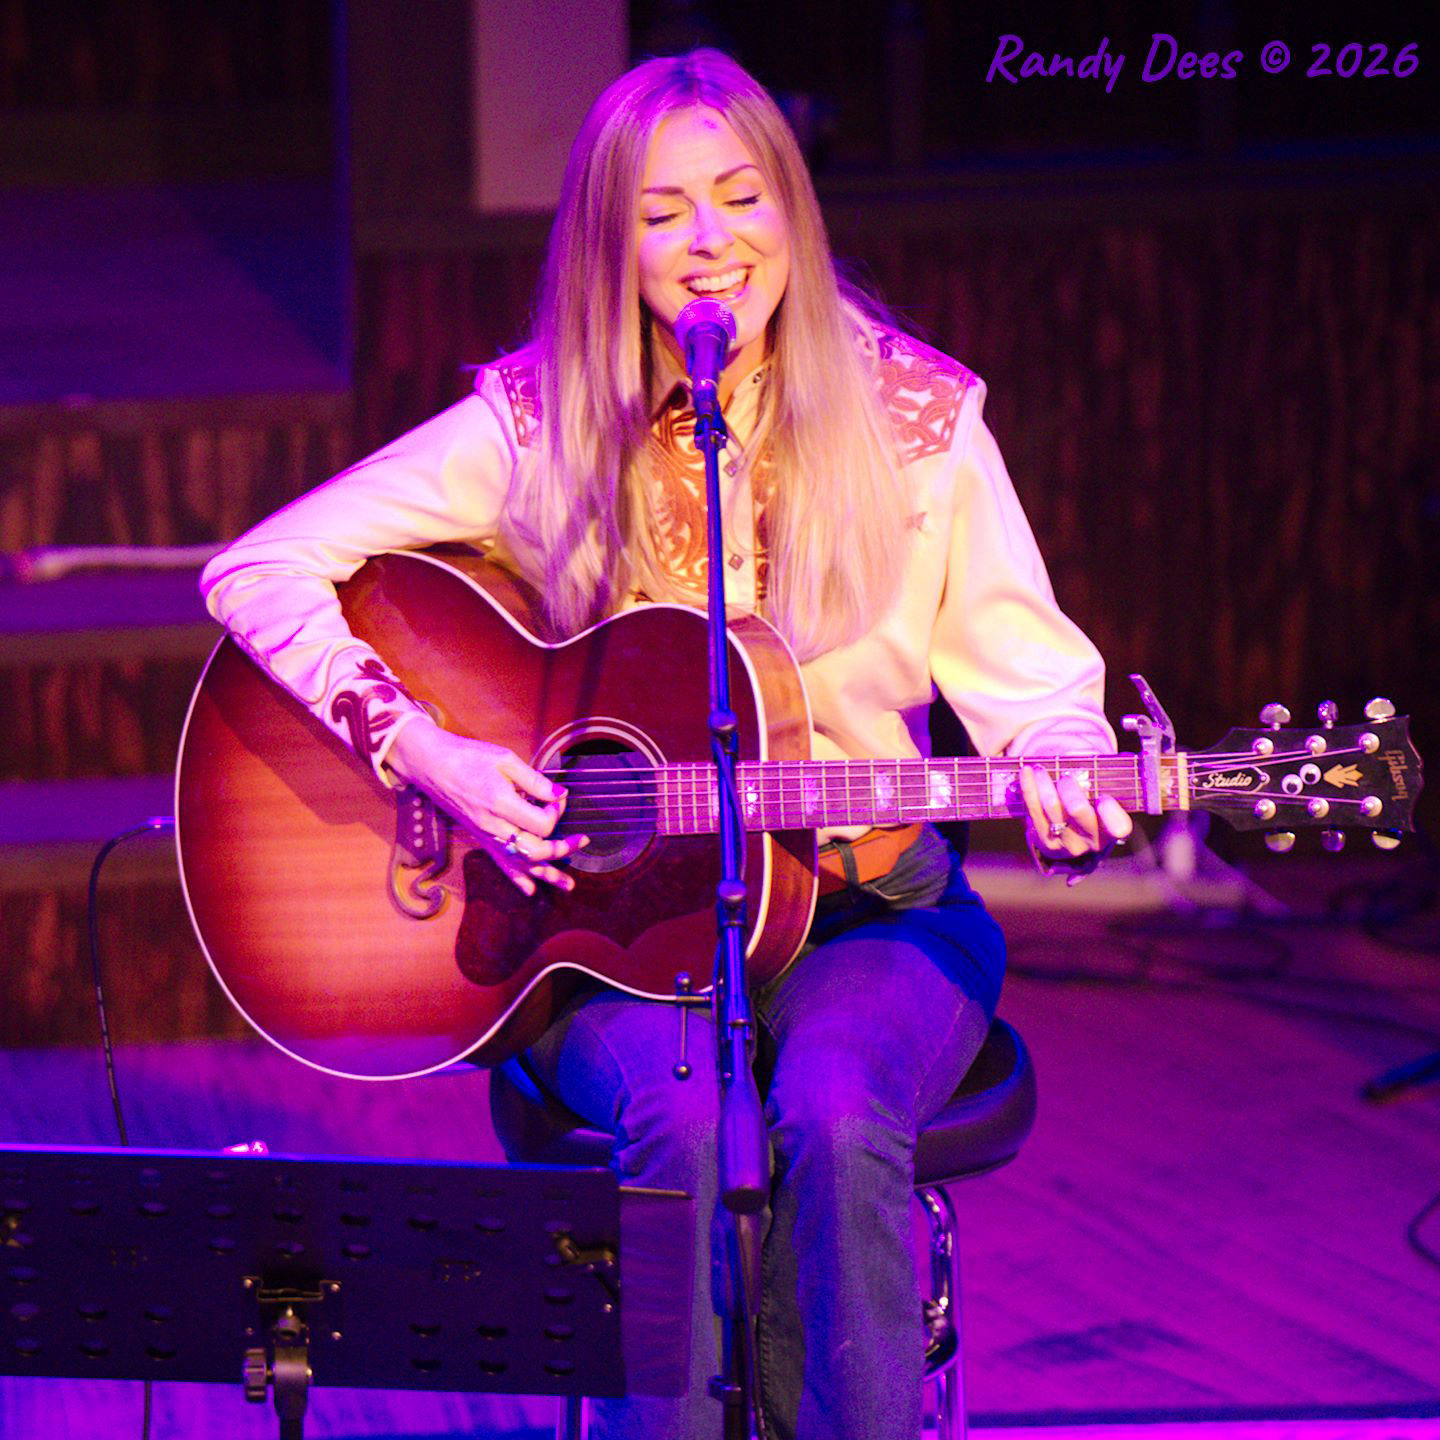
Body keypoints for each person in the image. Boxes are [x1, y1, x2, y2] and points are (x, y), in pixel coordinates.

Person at [201, 48, 1131, 1440]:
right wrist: (426, 749)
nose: (712, 242)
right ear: (610, 243)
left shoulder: (921, 421)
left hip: (869, 910)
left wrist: (1065, 762)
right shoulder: (541, 420)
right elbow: (258, 569)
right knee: (687, 1124)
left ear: (792, 213)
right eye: (663, 212)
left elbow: (1038, 690)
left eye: (743, 198)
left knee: (834, 1112)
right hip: (612, 932)